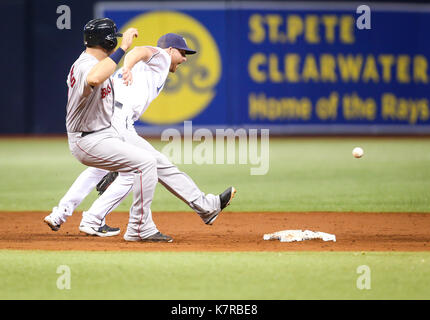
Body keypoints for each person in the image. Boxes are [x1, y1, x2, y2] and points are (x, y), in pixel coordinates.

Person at [44, 30, 236, 242]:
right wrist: (126, 66)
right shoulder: (162, 56)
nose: (184, 59)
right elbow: (139, 51)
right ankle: (201, 208)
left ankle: (62, 214)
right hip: (118, 120)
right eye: (182, 53)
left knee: (103, 169)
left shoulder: (151, 69)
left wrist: (128, 67)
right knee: (151, 165)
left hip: (110, 118)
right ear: (171, 49)